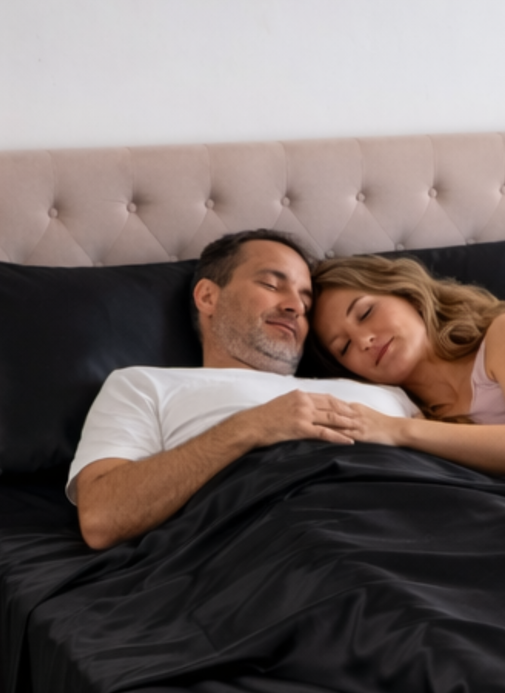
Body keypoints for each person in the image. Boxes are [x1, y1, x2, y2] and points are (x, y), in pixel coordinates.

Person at [70, 229, 416, 550]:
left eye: (306, 303)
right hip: (300, 545)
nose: (295, 306)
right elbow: (102, 518)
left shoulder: (384, 391)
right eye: (271, 284)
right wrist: (251, 427)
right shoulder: (144, 385)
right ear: (208, 296)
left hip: (425, 521)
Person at [311, 255, 505, 478]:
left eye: (365, 313)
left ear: (405, 292)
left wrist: (397, 430)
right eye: (344, 347)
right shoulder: (422, 421)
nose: (364, 340)